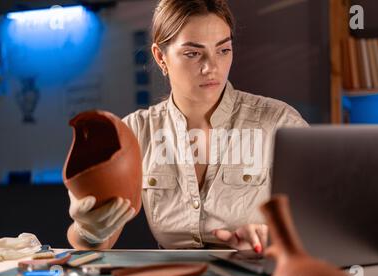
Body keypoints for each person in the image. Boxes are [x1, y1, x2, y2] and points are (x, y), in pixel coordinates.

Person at [67, 0, 309, 252]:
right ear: (161, 57)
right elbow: (95, 246)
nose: (212, 67)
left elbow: (322, 226)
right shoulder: (135, 133)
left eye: (223, 50)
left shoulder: (280, 123)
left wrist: (273, 239)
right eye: (193, 53)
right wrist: (89, 230)